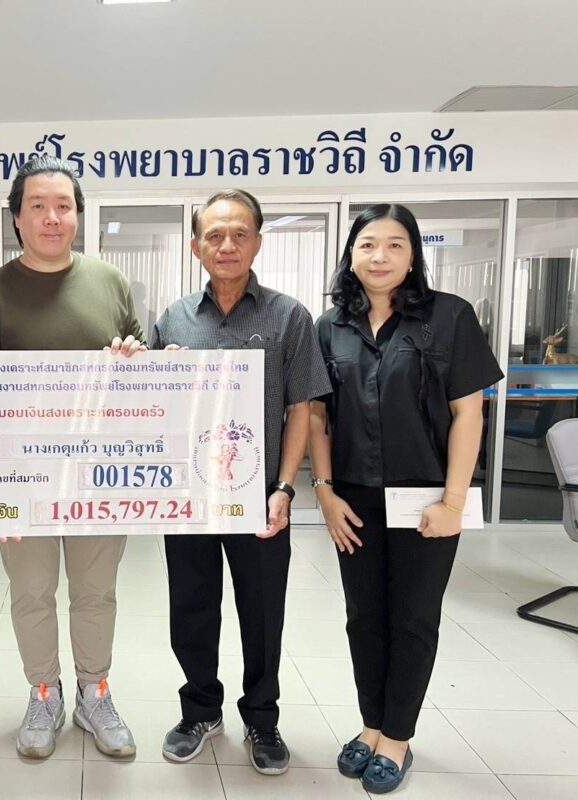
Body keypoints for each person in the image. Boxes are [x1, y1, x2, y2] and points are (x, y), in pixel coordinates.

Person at [308, 204, 503, 793]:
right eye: (368, 244)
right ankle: (371, 725)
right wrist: (324, 492)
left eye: (395, 245)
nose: (380, 256)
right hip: (355, 499)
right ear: (351, 254)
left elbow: (469, 413)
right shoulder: (331, 325)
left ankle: (397, 737)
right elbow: (318, 417)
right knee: (363, 618)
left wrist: (454, 501)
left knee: (413, 619)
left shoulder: (450, 316)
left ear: (414, 254)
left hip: (427, 499)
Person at [0, 156, 143, 760]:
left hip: (98, 475)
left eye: (63, 206)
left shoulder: (111, 283)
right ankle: (44, 692)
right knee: (33, 591)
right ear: (16, 218)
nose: (51, 217)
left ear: (78, 216)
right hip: (22, 479)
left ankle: (95, 692)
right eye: (37, 206)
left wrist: (133, 358)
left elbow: (144, 377)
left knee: (96, 591)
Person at [152, 189, 331, 774]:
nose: (226, 245)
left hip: (260, 500)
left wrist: (285, 489)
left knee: (262, 612)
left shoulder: (289, 317)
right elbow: (151, 405)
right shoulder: (174, 319)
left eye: (239, 234)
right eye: (214, 235)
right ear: (196, 246)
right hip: (189, 499)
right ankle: (200, 709)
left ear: (257, 242)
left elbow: (302, 408)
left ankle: (262, 718)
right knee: (192, 609)